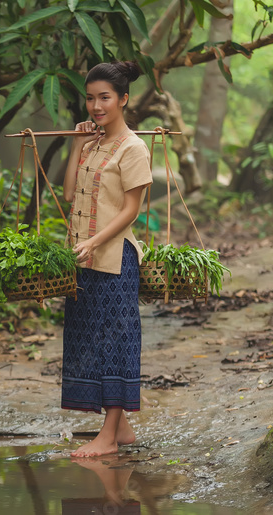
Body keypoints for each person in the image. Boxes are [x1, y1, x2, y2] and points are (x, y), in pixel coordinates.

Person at [61, 60, 152, 457]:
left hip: (115, 261)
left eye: (105, 98)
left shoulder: (134, 147)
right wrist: (77, 146)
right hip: (83, 259)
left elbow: (131, 210)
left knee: (115, 341)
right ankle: (122, 428)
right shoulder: (93, 144)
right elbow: (68, 195)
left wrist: (95, 241)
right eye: (90, 98)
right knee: (88, 340)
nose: (96, 106)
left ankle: (109, 437)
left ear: (123, 99)